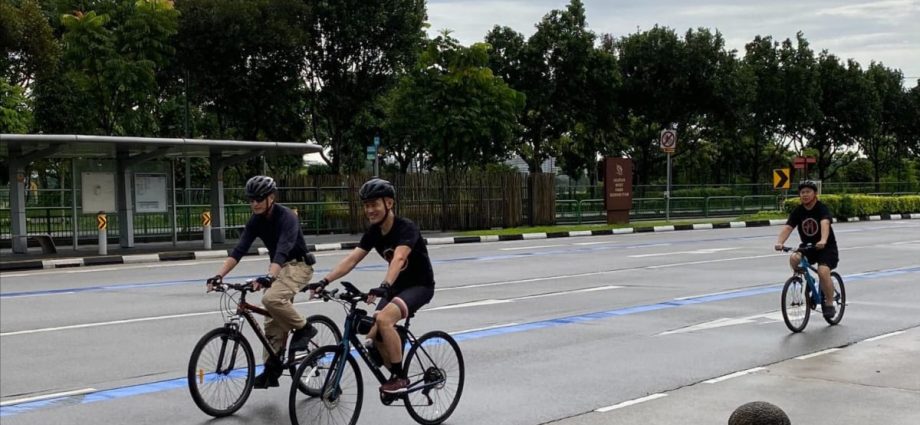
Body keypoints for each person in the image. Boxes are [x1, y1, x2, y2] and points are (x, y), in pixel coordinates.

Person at [313, 178, 435, 394]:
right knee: (372, 330)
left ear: (389, 203)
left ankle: (400, 378)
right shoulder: (374, 232)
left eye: (374, 204)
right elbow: (352, 260)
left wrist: (384, 285)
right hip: (396, 288)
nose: (370, 210)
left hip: (420, 286)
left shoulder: (406, 228)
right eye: (366, 205)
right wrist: (324, 281)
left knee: (384, 319)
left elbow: (398, 258)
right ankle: (391, 352)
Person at [206, 175, 317, 388]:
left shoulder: (287, 217)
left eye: (259, 199)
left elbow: (283, 249)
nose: (254, 203)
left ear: (271, 198)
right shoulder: (256, 221)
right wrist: (219, 276)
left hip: (298, 266)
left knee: (272, 300)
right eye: (251, 199)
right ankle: (271, 369)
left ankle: (305, 328)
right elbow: (239, 250)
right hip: (280, 267)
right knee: (271, 320)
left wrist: (269, 277)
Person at [774, 180, 839, 318]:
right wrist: (780, 242)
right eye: (802, 192)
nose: (805, 195)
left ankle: (829, 302)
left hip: (826, 247)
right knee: (794, 259)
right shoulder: (798, 211)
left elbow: (825, 223)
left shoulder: (821, 208)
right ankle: (810, 281)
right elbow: (788, 227)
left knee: (823, 271)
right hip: (808, 247)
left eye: (808, 192)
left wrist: (823, 240)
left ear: (815, 194)